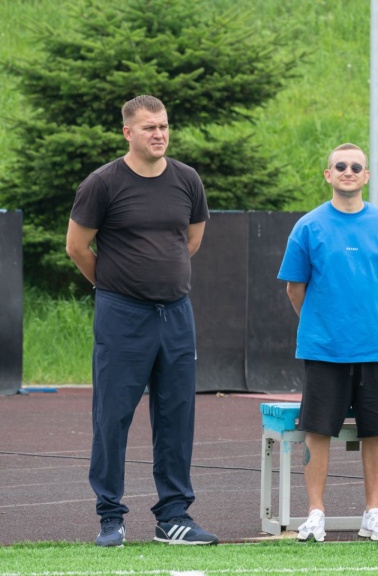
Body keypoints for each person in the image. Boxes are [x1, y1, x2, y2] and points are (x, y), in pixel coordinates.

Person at [66, 95, 218, 547]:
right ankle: (110, 517)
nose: (159, 134)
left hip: (176, 314)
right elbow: (77, 247)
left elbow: (191, 241)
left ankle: (173, 516)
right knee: (112, 416)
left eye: (164, 126)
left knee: (176, 416)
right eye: (150, 127)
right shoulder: (103, 183)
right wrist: (115, 285)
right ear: (127, 132)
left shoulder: (187, 179)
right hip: (122, 317)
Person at [278, 143, 378, 543]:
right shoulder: (308, 226)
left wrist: (368, 316)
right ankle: (315, 513)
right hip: (323, 349)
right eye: (340, 165)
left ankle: (373, 512)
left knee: (376, 431)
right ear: (328, 174)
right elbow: (294, 289)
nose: (348, 171)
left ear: (366, 176)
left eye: (356, 166)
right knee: (317, 430)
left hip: (374, 347)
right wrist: (323, 322)